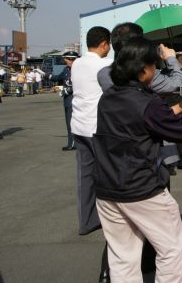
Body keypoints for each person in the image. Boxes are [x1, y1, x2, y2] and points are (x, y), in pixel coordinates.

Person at [94, 37, 182, 283]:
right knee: (172, 250)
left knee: (123, 257)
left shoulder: (108, 97)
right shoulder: (148, 102)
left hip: (107, 188)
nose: (155, 71)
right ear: (144, 70)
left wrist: (179, 107)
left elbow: (147, 122)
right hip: (142, 188)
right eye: (154, 66)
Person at [70, 27, 112, 237]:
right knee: (108, 174)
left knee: (84, 176)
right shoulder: (104, 64)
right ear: (104, 43)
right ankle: (112, 219)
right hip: (97, 127)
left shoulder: (77, 63)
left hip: (78, 125)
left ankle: (86, 221)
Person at [49, 51, 79, 151]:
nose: (65, 60)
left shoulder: (78, 70)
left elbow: (78, 84)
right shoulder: (66, 69)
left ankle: (73, 143)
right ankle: (71, 142)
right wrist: (44, 75)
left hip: (74, 100)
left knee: (72, 122)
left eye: (67, 59)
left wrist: (67, 91)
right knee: (68, 122)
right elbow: (57, 78)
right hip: (67, 100)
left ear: (73, 59)